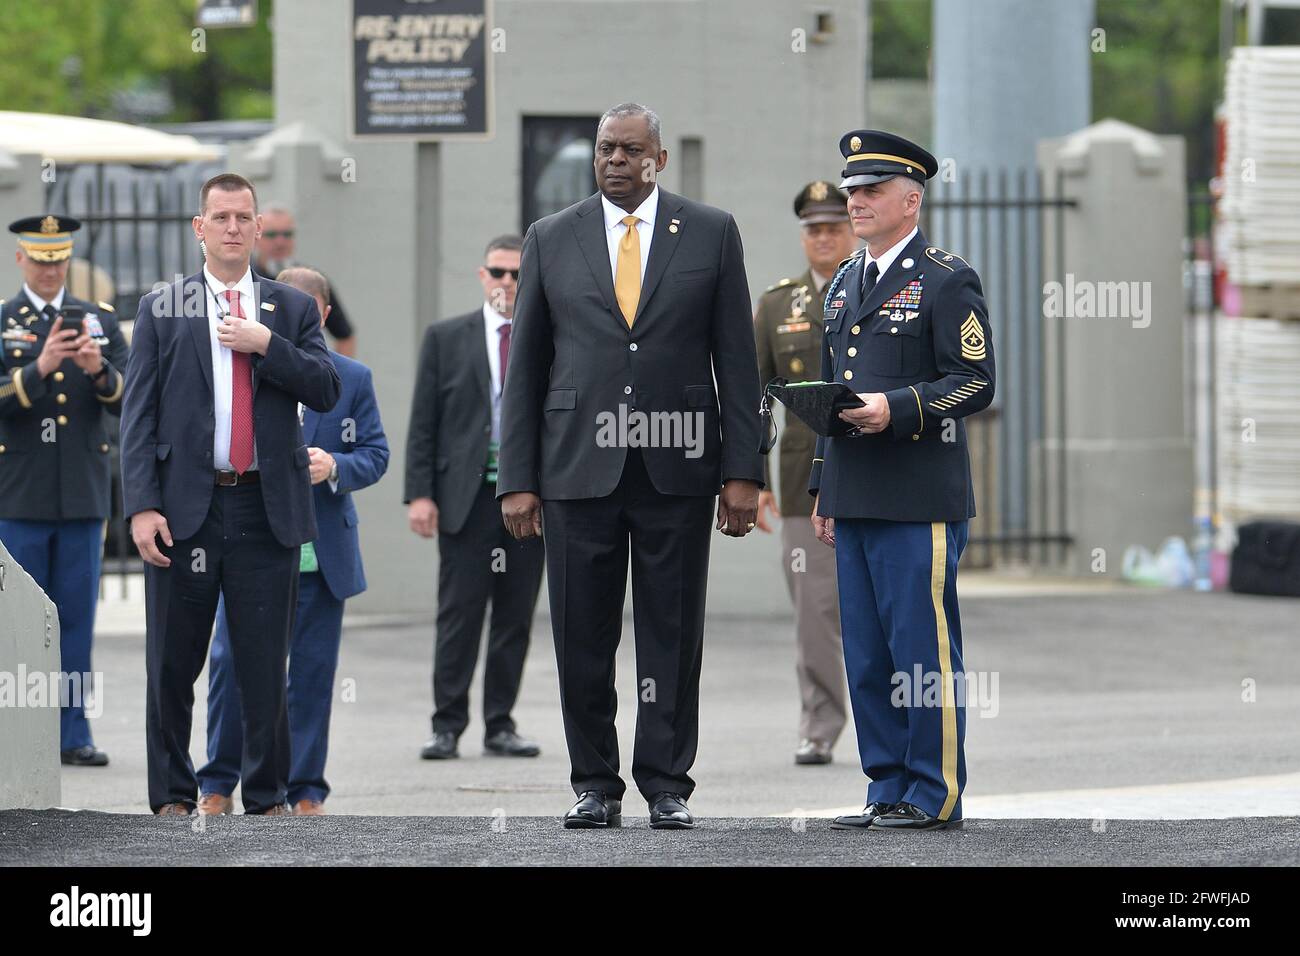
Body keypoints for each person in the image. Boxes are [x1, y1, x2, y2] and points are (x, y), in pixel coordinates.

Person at [497, 103, 764, 830]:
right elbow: (526, 370)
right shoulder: (553, 238)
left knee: (671, 635)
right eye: (604, 149)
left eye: (630, 149)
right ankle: (594, 783)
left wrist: (744, 469)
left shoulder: (710, 232)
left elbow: (737, 362)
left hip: (676, 469)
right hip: (577, 472)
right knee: (581, 633)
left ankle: (668, 783)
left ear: (659, 159)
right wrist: (516, 479)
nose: (615, 160)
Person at [121, 173, 341, 816]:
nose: (234, 228)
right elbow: (138, 417)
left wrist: (265, 345)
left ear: (256, 227)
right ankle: (172, 796)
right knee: (172, 663)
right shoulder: (163, 308)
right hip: (186, 509)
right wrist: (141, 505)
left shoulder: (290, 309)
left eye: (244, 217)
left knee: (262, 662)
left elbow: (326, 388)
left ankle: (266, 796)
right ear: (200, 227)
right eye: (221, 218)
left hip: (262, 506)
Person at [809, 130, 995, 832]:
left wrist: (901, 408)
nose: (855, 202)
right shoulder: (844, 284)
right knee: (867, 653)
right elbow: (833, 394)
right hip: (856, 494)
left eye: (871, 190)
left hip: (918, 495)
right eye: (852, 190)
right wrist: (823, 487)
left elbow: (974, 382)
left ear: (911, 199)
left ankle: (932, 790)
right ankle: (885, 783)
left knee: (922, 647)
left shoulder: (948, 278)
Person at [196, 266, 388, 816]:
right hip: (254, 551)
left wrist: (336, 466)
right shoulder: (242, 369)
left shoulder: (350, 377)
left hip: (320, 560)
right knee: (234, 668)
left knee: (310, 676)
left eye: (303, 310)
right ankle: (217, 784)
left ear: (322, 316)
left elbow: (376, 453)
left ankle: (304, 789)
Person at [405, 235, 545, 761]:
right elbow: (424, 422)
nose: (507, 282)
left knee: (514, 616)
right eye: (499, 272)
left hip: (527, 500)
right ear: (482, 275)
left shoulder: (545, 336)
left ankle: (500, 724)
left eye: (516, 274)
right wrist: (419, 494)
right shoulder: (446, 337)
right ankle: (446, 725)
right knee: (458, 615)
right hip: (464, 499)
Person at [0, 215, 128, 767]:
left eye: (59, 259)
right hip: (21, 495)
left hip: (81, 494)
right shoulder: (4, 322)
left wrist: (99, 371)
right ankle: (18, 734)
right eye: (40, 259)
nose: (51, 270)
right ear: (20, 260)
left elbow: (130, 400)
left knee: (75, 619)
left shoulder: (99, 321)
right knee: (20, 623)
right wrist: (41, 366)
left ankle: (72, 732)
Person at [753, 182, 857, 766]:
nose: (824, 237)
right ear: (803, 236)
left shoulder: (883, 292)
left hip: (874, 467)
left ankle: (891, 725)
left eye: (834, 226)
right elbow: (755, 397)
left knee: (881, 603)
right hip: (800, 482)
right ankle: (820, 723)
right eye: (813, 228)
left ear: (851, 229)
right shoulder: (776, 305)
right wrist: (754, 477)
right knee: (815, 611)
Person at [254, 203, 357, 357]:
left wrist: (336, 377)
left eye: (287, 234)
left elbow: (345, 335)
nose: (280, 242)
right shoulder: (243, 277)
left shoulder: (312, 280)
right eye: (272, 235)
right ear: (256, 236)